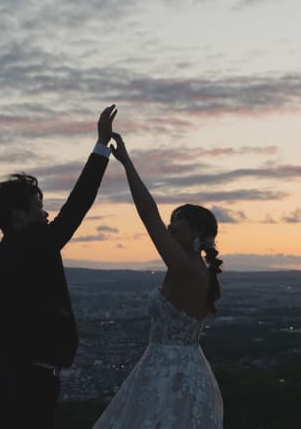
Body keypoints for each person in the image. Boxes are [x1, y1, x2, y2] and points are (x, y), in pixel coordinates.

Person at [0, 104, 117, 429]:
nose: (46, 215)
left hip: (0, 386)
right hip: (34, 382)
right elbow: (79, 203)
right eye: (39, 209)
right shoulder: (39, 247)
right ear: (18, 215)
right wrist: (102, 145)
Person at [93, 132, 224, 428]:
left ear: (196, 234)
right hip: (188, 372)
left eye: (178, 222)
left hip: (167, 375)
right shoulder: (200, 271)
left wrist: (127, 163)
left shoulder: (184, 268)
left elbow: (148, 214)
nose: (170, 226)